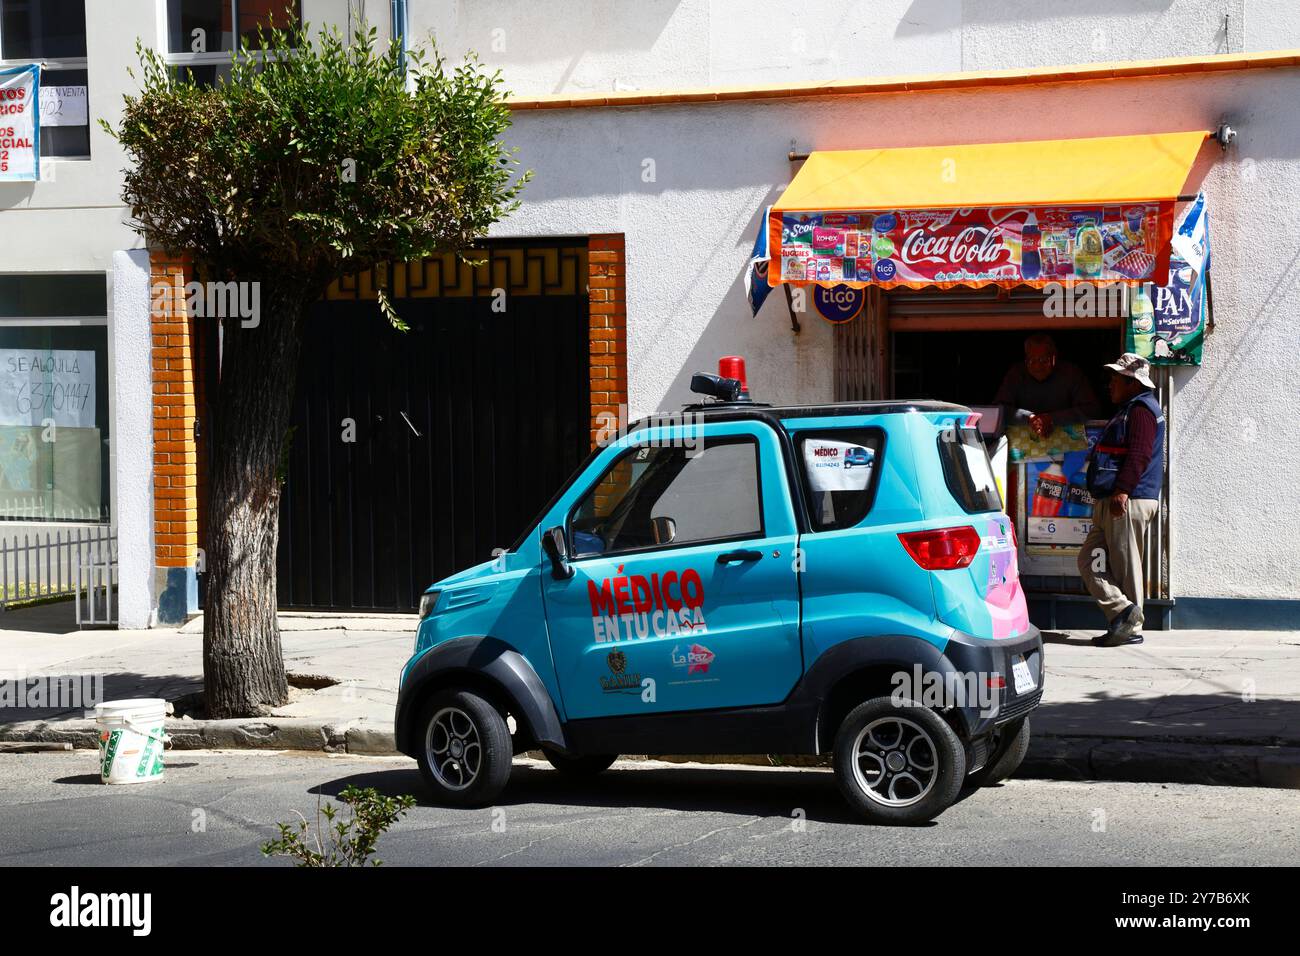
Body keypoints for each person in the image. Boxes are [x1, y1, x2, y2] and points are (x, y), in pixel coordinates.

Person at [1077, 353, 1164, 647]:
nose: (1110, 384)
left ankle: (1130, 627)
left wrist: (1123, 490)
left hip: (1128, 499)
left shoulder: (1141, 410)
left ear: (1132, 383)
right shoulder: (1129, 408)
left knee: (1125, 567)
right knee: (1089, 560)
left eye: (1116, 379)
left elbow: (1139, 454)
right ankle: (1124, 612)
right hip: (1113, 498)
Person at [994, 333, 1101, 437]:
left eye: (1043, 360)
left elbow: (1091, 409)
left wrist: (1052, 419)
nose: (1038, 366)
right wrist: (1029, 418)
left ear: (1054, 358)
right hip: (1024, 446)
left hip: (1066, 443)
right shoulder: (1016, 374)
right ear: (1026, 361)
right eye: (1032, 361)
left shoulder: (1071, 373)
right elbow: (998, 410)